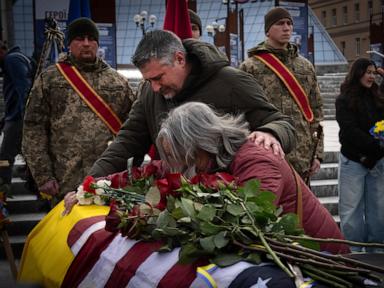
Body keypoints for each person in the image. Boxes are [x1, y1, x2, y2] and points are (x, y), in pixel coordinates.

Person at [89, 30, 296, 178]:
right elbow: (127, 142)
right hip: (179, 204)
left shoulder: (231, 82)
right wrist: (91, 183)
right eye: (148, 80)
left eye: (159, 78)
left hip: (231, 204)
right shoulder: (150, 93)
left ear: (179, 59)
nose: (154, 88)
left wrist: (271, 132)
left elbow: (282, 123)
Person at [156, 102, 349, 255]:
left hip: (323, 259)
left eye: (181, 155)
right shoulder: (218, 158)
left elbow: (247, 225)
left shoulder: (257, 161)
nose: (180, 164)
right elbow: (164, 169)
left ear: (200, 144)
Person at [22, 18, 135, 203]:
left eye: (91, 39)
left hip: (107, 181)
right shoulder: (50, 80)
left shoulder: (118, 82)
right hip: (64, 180)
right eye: (79, 39)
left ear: (97, 43)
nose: (86, 44)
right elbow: (33, 128)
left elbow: (133, 129)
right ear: (69, 44)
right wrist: (43, 175)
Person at [239, 7, 323, 180]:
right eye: (280, 24)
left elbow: (316, 112)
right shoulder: (251, 67)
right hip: (268, 152)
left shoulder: (305, 66)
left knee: (301, 206)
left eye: (289, 24)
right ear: (268, 30)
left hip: (302, 155)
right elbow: (241, 113)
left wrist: (317, 154)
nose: (287, 28)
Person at [336, 58, 384, 252]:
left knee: (378, 211)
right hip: (353, 160)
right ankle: (354, 252)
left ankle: (378, 251)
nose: (371, 76)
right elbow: (349, 131)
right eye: (368, 72)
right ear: (358, 73)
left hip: (378, 161)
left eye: (374, 72)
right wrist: (374, 146)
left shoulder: (379, 96)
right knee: (351, 211)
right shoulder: (344, 99)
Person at [0, 41, 33, 186]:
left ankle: (2, 192)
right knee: (29, 155)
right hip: (16, 117)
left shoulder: (12, 59)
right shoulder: (17, 57)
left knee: (4, 157)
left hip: (18, 119)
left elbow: (24, 88)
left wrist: (25, 117)